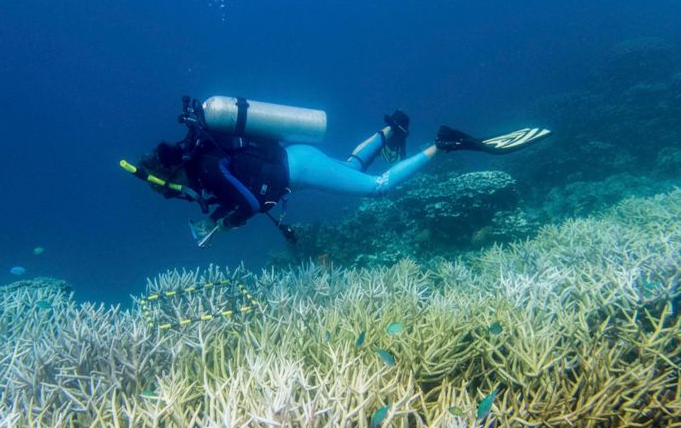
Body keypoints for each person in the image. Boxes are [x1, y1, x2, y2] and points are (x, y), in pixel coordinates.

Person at [131, 96, 551, 248]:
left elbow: (250, 200)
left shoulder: (204, 168)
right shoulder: (204, 152)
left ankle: (443, 144)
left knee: (378, 187)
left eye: (166, 187)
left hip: (298, 167)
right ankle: (392, 128)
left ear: (168, 174)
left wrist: (225, 223)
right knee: (350, 168)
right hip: (297, 157)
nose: (172, 192)